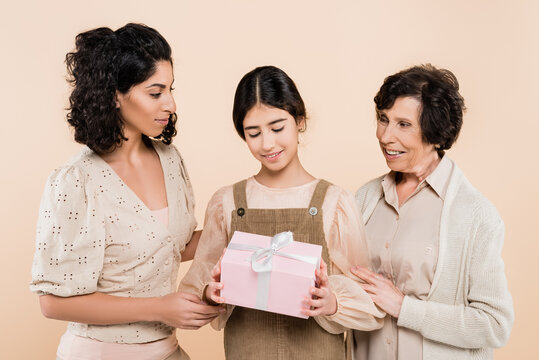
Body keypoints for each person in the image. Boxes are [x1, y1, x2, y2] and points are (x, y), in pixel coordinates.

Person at [30, 23, 222, 360]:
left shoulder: (170, 159)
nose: (171, 104)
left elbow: (170, 245)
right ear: (116, 95)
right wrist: (161, 308)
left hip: (167, 350)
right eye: (155, 92)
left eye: (171, 90)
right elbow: (52, 302)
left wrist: (237, 232)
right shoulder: (77, 180)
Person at [179, 65, 385, 359]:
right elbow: (196, 287)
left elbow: (370, 305)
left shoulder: (334, 203)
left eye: (277, 128)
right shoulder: (226, 202)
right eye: (253, 133)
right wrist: (209, 294)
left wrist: (332, 302)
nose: (267, 143)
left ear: (299, 121)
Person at [350, 64, 514, 359]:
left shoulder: (476, 216)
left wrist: (404, 308)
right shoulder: (364, 198)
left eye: (403, 124)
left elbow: (494, 325)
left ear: (436, 134)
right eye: (383, 119)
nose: (386, 136)